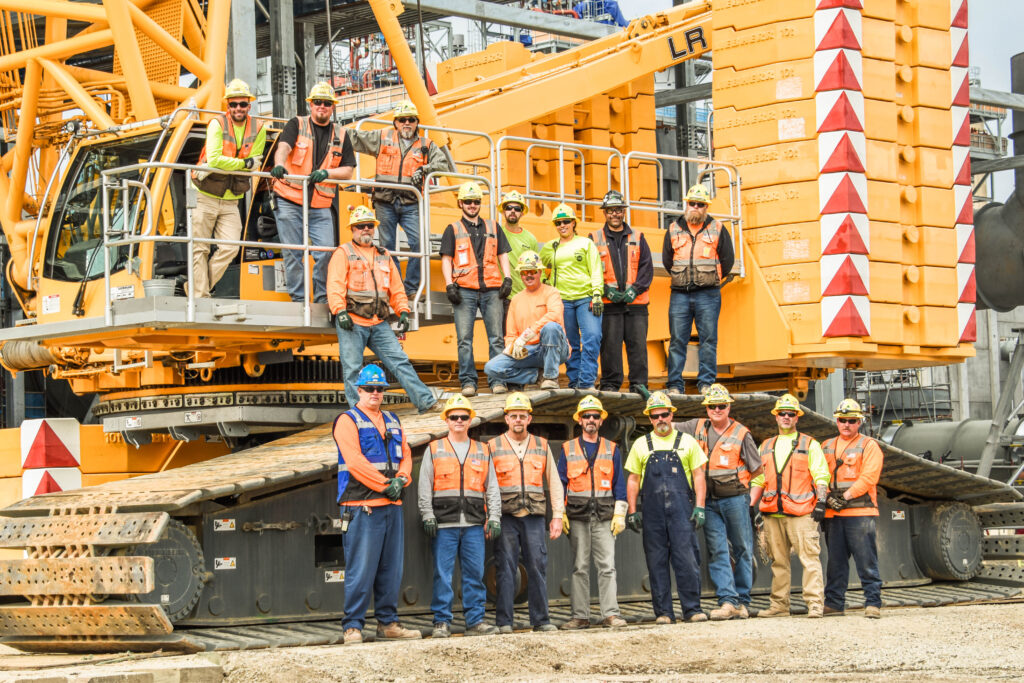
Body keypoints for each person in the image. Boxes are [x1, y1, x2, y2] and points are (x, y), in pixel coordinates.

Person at [332, 364, 422, 644]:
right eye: (369, 388)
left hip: (391, 506)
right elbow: (355, 462)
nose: (375, 393)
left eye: (380, 388)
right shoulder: (347, 421)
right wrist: (387, 485)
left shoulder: (394, 420)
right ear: (359, 390)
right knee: (361, 568)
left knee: (390, 569)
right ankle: (353, 626)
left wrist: (403, 479)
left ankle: (388, 623)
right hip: (363, 506)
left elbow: (406, 454)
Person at [325, 205, 440, 413]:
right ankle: (359, 414)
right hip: (353, 321)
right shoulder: (344, 253)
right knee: (352, 371)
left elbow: (396, 288)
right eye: (361, 226)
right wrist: (339, 311)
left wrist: (403, 311)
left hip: (379, 322)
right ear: (353, 229)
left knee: (400, 362)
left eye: (370, 226)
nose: (366, 229)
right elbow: (335, 285)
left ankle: (426, 402)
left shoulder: (383, 254)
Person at [418, 394, 502, 638]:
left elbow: (492, 487)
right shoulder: (434, 449)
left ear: (470, 420)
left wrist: (494, 517)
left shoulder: (482, 450)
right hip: (444, 524)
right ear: (446, 420)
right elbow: (425, 485)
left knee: (475, 574)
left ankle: (475, 620)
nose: (459, 420)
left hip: (475, 524)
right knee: (443, 575)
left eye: (464, 417)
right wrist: (427, 514)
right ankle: (441, 622)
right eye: (454, 417)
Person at [347, 100, 450, 298]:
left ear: (417, 123)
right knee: (387, 247)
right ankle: (396, 288)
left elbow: (443, 164)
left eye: (411, 120)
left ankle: (410, 288)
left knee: (419, 243)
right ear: (395, 123)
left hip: (411, 202)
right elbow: (357, 138)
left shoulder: (426, 145)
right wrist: (333, 131)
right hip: (385, 201)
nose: (406, 123)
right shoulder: (383, 137)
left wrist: (425, 169)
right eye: (402, 120)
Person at [676, 383, 761, 620]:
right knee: (718, 550)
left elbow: (756, 470)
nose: (716, 410)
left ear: (729, 406)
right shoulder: (697, 425)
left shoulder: (741, 433)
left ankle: (742, 600)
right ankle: (727, 600)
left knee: (743, 547)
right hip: (709, 501)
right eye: (712, 406)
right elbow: (667, 424)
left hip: (735, 499)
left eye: (721, 406)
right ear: (707, 408)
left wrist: (750, 499)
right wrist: (654, 402)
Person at [624, 391, 709, 624]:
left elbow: (699, 476)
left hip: (682, 512)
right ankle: (663, 613)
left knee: (687, 560)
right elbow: (633, 479)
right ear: (649, 419)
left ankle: (692, 610)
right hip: (652, 513)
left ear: (671, 415)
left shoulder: (687, 442)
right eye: (655, 416)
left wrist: (700, 507)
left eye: (664, 414)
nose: (660, 419)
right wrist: (632, 511)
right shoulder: (641, 444)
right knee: (656, 562)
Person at [269, 81, 355, 304]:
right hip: (289, 198)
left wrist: (326, 173)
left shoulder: (342, 135)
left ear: (332, 107)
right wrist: (279, 165)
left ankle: (322, 299)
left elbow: (348, 171)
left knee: (326, 252)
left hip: (320, 205)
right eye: (318, 102)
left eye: (327, 103)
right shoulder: (296, 124)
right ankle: (299, 300)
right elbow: (284, 148)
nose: (322, 106)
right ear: (310, 105)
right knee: (294, 253)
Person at [487, 392, 565, 633]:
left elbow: (554, 482)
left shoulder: (541, 445)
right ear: (506, 419)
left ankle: (541, 620)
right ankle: (504, 622)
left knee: (537, 567)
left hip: (533, 516)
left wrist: (558, 516)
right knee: (505, 568)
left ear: (529, 419)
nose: (518, 419)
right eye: (514, 416)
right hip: (505, 517)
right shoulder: (493, 446)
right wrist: (489, 516)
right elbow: (485, 484)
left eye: (522, 415)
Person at [749, 394, 829, 619]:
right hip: (772, 512)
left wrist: (821, 502)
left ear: (797, 418)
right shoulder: (765, 445)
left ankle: (814, 604)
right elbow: (758, 479)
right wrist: (751, 505)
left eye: (790, 414)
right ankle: (779, 606)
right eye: (782, 413)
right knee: (778, 562)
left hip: (802, 512)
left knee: (809, 559)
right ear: (776, 417)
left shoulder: (809, 444)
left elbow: (821, 474)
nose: (786, 417)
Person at [189, 79, 267, 298]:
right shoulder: (217, 124)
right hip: (205, 195)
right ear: (228, 106)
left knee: (231, 247)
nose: (238, 109)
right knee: (200, 248)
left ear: (249, 106)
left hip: (231, 199)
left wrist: (239, 165)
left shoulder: (258, 128)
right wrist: (242, 165)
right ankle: (200, 296)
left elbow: (257, 161)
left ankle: (196, 288)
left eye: (242, 104)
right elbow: (214, 160)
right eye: (233, 105)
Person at [557, 396, 628, 629]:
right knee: (580, 567)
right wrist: (560, 513)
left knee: (607, 566)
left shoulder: (612, 449)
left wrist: (620, 513)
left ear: (601, 421)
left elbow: (619, 484)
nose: (590, 420)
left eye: (595, 416)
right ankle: (580, 616)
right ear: (579, 420)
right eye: (586, 416)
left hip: (605, 517)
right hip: (577, 517)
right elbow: (560, 484)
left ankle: (611, 614)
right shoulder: (568, 449)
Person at [440, 181, 514, 396]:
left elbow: (503, 254)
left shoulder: (492, 226)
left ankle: (497, 381)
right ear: (460, 203)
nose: (473, 205)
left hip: (492, 289)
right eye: (468, 201)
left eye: (476, 202)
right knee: (464, 339)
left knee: (496, 338)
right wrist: (449, 285)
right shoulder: (453, 229)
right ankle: (468, 382)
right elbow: (447, 258)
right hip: (464, 289)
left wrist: (507, 278)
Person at [663, 184, 735, 396]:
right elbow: (668, 260)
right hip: (679, 294)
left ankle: (706, 384)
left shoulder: (718, 228)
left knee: (709, 340)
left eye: (700, 204)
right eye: (692, 203)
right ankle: (675, 385)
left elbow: (727, 261)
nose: (695, 207)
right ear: (686, 204)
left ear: (706, 207)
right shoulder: (673, 228)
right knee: (677, 340)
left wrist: (708, 280)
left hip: (708, 294)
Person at [822, 399, 884, 619]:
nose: (846, 424)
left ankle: (873, 603)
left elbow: (869, 477)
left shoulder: (869, 446)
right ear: (836, 421)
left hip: (860, 513)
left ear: (859, 422)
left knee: (866, 560)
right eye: (842, 420)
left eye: (851, 420)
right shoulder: (826, 446)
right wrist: (827, 498)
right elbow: (818, 474)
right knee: (835, 562)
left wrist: (845, 497)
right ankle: (834, 604)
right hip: (834, 513)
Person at [589, 190, 653, 396]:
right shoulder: (594, 238)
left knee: (638, 346)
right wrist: (605, 290)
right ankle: (610, 383)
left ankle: (639, 383)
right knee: (610, 346)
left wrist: (636, 289)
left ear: (623, 212)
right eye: (610, 211)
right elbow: (589, 270)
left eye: (618, 210)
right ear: (605, 213)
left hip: (636, 304)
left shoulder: (638, 237)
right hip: (609, 303)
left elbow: (646, 267)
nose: (614, 214)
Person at [483, 250, 569, 391]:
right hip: (529, 350)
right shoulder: (516, 299)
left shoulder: (551, 292)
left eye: (532, 271)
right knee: (491, 368)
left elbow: (555, 315)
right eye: (524, 272)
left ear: (540, 272)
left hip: (555, 348)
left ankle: (551, 378)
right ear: (520, 275)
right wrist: (512, 347)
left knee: (551, 327)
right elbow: (511, 333)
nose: (528, 275)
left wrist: (529, 333)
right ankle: (537, 376)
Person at [540, 203, 604, 389]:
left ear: (573, 223)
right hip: (563, 301)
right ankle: (575, 381)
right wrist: (544, 279)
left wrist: (597, 294)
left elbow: (595, 269)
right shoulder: (551, 247)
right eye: (558, 222)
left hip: (586, 298)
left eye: (566, 221)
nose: (562, 225)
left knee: (592, 338)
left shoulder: (585, 243)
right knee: (570, 344)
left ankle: (587, 382)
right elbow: (539, 263)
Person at [498, 190, 540, 329]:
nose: (512, 211)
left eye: (517, 208)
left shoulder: (530, 238)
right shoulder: (497, 233)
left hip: (526, 296)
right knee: (506, 338)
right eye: (509, 208)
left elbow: (537, 269)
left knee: (527, 339)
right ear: (503, 211)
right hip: (503, 297)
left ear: (522, 212)